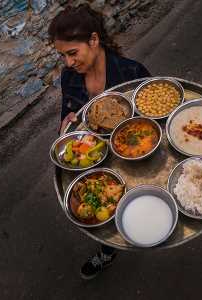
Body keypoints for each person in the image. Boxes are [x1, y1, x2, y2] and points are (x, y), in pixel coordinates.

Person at [48, 3, 151, 280]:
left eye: (72, 53)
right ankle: (107, 251)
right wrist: (66, 126)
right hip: (96, 165)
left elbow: (153, 122)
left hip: (133, 157)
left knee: (137, 210)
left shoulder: (131, 73)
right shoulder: (70, 77)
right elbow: (69, 121)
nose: (68, 63)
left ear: (93, 40)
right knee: (100, 213)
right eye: (62, 55)